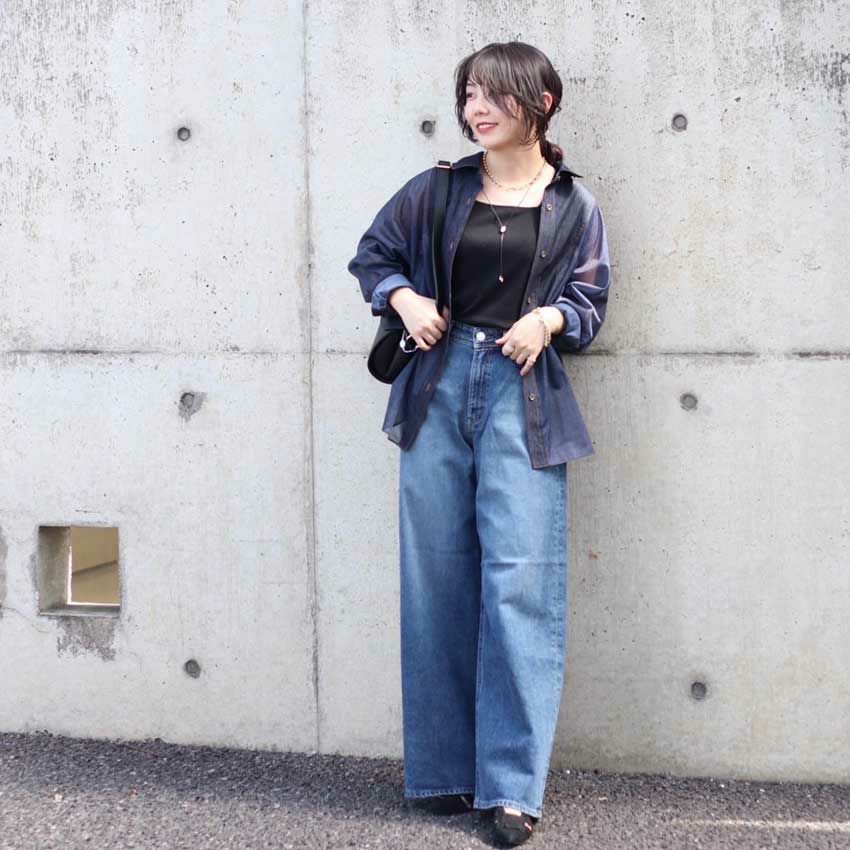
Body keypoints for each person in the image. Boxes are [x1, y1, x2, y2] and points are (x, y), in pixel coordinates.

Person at [347, 41, 611, 847]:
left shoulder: (573, 204)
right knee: (437, 579)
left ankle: (511, 789)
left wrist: (549, 318)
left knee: (520, 584)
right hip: (435, 388)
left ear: (541, 102)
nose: (477, 108)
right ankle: (441, 772)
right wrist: (404, 298)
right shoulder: (437, 189)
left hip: (519, 392)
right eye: (469, 94)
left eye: (493, 93)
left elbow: (592, 299)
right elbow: (372, 256)